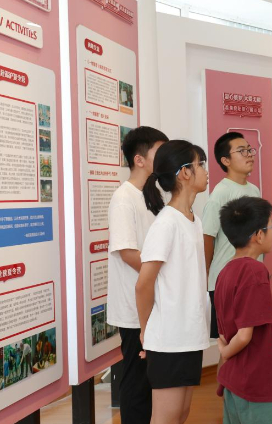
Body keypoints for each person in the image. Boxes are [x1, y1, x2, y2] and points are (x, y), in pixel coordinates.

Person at [136, 140, 210, 424]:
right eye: (200, 164)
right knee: (165, 418)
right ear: (184, 173)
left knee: (181, 415)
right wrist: (146, 329)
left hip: (189, 335)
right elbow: (143, 284)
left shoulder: (194, 220)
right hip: (168, 340)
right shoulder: (166, 223)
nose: (205, 171)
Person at [215, 196, 272, 424]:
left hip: (234, 383)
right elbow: (244, 335)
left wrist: (224, 352)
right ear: (259, 235)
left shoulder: (224, 273)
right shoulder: (255, 272)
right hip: (257, 385)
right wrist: (225, 353)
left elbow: (224, 333)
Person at [107, 126, 169, 424]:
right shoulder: (124, 197)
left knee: (150, 380)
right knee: (136, 381)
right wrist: (162, 273)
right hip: (135, 309)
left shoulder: (153, 194)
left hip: (153, 302)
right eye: (160, 151)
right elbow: (127, 252)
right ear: (139, 159)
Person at [202, 132, 260, 366]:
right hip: (226, 281)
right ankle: (226, 388)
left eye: (249, 149)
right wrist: (209, 277)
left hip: (250, 277)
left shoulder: (254, 190)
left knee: (248, 344)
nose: (249, 154)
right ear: (225, 160)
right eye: (241, 151)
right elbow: (207, 237)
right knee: (228, 346)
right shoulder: (221, 193)